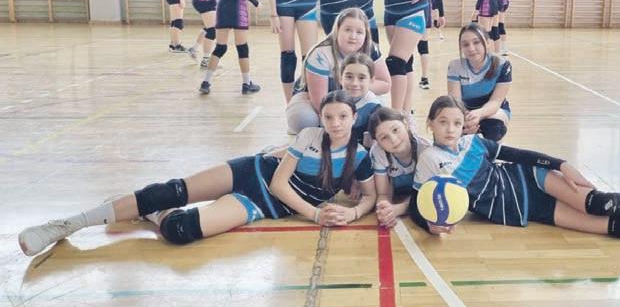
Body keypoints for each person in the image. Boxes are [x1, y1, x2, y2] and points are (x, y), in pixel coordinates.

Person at [18, 91, 376, 257]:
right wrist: (315, 214)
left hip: (262, 206)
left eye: (342, 116)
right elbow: (280, 182)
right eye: (328, 116)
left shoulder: (359, 154)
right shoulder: (309, 135)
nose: (335, 123)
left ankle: (153, 213)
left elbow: (374, 194)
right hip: (252, 171)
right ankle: (67, 224)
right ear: (321, 118)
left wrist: (354, 212)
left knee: (179, 230)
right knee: (172, 190)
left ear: (354, 117)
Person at [408, 96, 620, 245]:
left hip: (531, 180)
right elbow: (417, 204)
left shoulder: (475, 143)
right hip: (523, 209)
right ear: (431, 124)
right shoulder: (428, 160)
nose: (451, 128)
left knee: (601, 203)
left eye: (457, 122)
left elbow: (520, 154)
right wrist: (430, 225)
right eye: (443, 122)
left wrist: (562, 164)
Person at [286, 7, 390, 134]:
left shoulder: (370, 48)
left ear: (366, 34)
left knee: (379, 113)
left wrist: (357, 86)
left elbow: (385, 83)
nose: (353, 36)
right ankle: (318, 133)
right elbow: (320, 102)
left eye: (359, 32)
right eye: (347, 30)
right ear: (337, 30)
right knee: (304, 118)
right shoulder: (321, 54)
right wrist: (339, 121)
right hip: (314, 99)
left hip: (350, 95)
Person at [199, 0, 261, 95]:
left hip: (223, 8)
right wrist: (256, 3)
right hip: (238, 9)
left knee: (220, 47)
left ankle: (206, 82)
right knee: (242, 48)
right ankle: (246, 84)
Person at [368, 107, 431, 228]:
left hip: (419, 194)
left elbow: (426, 195)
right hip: (396, 192)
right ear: (378, 143)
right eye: (384, 137)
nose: (393, 139)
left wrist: (398, 209)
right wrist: (385, 210)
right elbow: (383, 193)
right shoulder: (378, 152)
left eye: (395, 130)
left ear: (406, 125)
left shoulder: (425, 149)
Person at [447, 23, 512, 141]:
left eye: (476, 42)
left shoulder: (502, 65)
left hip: (493, 111)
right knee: (444, 130)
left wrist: (479, 114)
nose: (471, 48)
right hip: (465, 113)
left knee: (494, 127)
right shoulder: (455, 66)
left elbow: (495, 102)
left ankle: (491, 148)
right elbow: (455, 101)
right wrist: (466, 120)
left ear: (487, 43)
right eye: (465, 44)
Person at [339, 53, 382, 146]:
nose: (354, 83)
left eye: (361, 78)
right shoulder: (333, 101)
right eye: (349, 77)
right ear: (340, 78)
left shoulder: (375, 109)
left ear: (371, 80)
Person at [417, 0, 446, 91]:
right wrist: (442, 15)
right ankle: (424, 78)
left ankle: (404, 75)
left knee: (406, 46)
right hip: (424, 10)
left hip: (409, 10)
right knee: (423, 44)